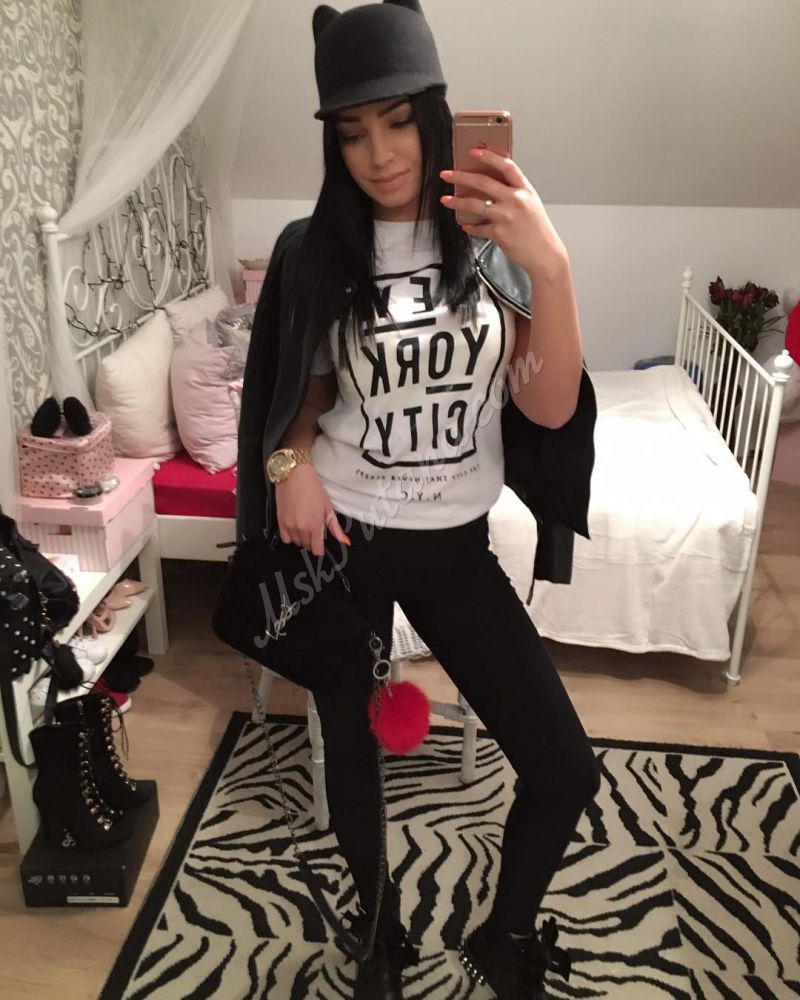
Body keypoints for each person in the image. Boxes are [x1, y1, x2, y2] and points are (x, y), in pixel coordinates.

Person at [236, 2, 601, 998]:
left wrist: (552, 268)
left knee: (565, 767)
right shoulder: (315, 250)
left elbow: (548, 405)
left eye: (397, 121)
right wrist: (288, 464)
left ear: (436, 115)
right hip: (344, 541)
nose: (380, 154)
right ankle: (376, 934)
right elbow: (299, 397)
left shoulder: (487, 242)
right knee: (353, 752)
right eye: (352, 132)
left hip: (453, 548)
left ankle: (503, 936)